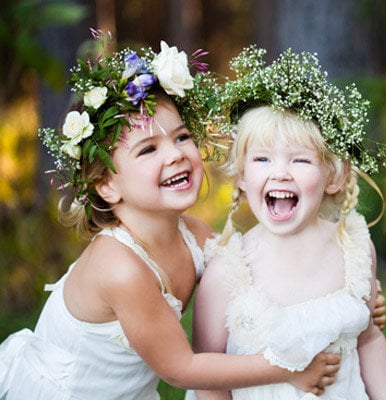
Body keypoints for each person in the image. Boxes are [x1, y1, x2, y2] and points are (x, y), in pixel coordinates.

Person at [0, 32, 342, 400]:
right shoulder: (121, 268)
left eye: (180, 138)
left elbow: (260, 274)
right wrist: (289, 367)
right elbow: (182, 368)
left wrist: (343, 294)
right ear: (106, 186)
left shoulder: (195, 235)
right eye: (148, 149)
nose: (175, 155)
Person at [188, 46, 386, 399]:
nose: (281, 173)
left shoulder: (354, 250)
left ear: (334, 177)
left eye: (300, 160)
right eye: (262, 159)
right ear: (241, 176)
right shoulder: (228, 271)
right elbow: (208, 377)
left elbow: (369, 340)